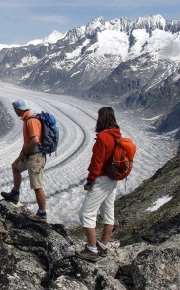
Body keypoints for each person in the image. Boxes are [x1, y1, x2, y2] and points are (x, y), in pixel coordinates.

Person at [76, 106, 121, 262]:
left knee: (86, 214)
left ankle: (92, 249)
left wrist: (90, 181)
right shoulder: (117, 135)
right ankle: (102, 245)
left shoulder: (103, 137)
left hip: (102, 179)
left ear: (101, 119)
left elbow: (97, 162)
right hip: (113, 179)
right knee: (108, 213)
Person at [1, 99, 47, 223]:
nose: (14, 111)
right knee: (15, 167)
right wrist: (20, 156)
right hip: (29, 154)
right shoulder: (27, 119)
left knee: (37, 186)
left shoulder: (31, 120)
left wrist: (25, 153)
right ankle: (15, 194)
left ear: (18, 108)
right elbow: (28, 141)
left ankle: (42, 213)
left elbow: (35, 140)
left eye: (14, 108)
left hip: (35, 157)